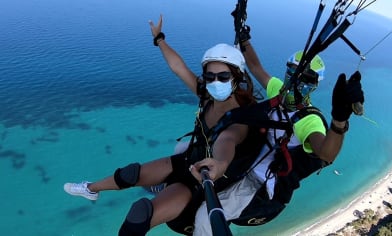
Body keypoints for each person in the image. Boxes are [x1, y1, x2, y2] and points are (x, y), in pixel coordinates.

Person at [63, 15, 265, 236]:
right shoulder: (207, 97)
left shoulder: (242, 119)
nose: (215, 82)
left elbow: (228, 140)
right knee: (130, 174)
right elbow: (178, 68)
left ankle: (162, 190)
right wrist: (159, 38)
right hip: (188, 159)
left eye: (223, 76)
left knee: (140, 214)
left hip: (201, 178)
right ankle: (90, 189)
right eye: (210, 76)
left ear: (236, 77)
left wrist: (220, 164)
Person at [191, 35, 364, 235]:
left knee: (205, 217)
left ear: (315, 85)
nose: (297, 79)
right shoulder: (278, 92)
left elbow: (326, 153)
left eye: (306, 78)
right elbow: (255, 67)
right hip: (246, 163)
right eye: (293, 71)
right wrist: (244, 36)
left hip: (260, 185)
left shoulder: (309, 120)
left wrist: (339, 121)